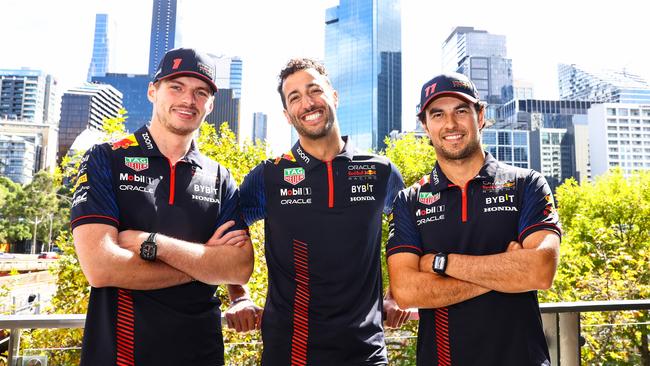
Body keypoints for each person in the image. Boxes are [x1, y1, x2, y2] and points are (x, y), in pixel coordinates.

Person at [70, 47, 254, 366]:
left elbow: (238, 268)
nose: (188, 100)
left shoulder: (220, 177)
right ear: (153, 91)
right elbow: (100, 268)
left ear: (210, 104)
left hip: (203, 354)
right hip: (120, 356)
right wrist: (206, 264)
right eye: (176, 87)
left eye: (200, 92)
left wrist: (151, 244)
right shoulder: (106, 159)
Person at [232, 58, 409, 365]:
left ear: (334, 97)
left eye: (314, 90)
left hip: (366, 352)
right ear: (288, 116)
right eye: (295, 97)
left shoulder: (381, 172)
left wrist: (397, 295)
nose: (307, 103)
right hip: (289, 352)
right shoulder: (268, 176)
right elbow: (226, 229)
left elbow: (412, 231)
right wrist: (239, 296)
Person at [386, 72, 561, 365]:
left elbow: (540, 271)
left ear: (480, 116)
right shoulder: (410, 200)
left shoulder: (526, 184)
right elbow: (405, 291)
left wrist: (440, 263)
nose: (450, 124)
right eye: (438, 114)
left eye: (461, 111)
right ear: (425, 126)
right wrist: (505, 275)